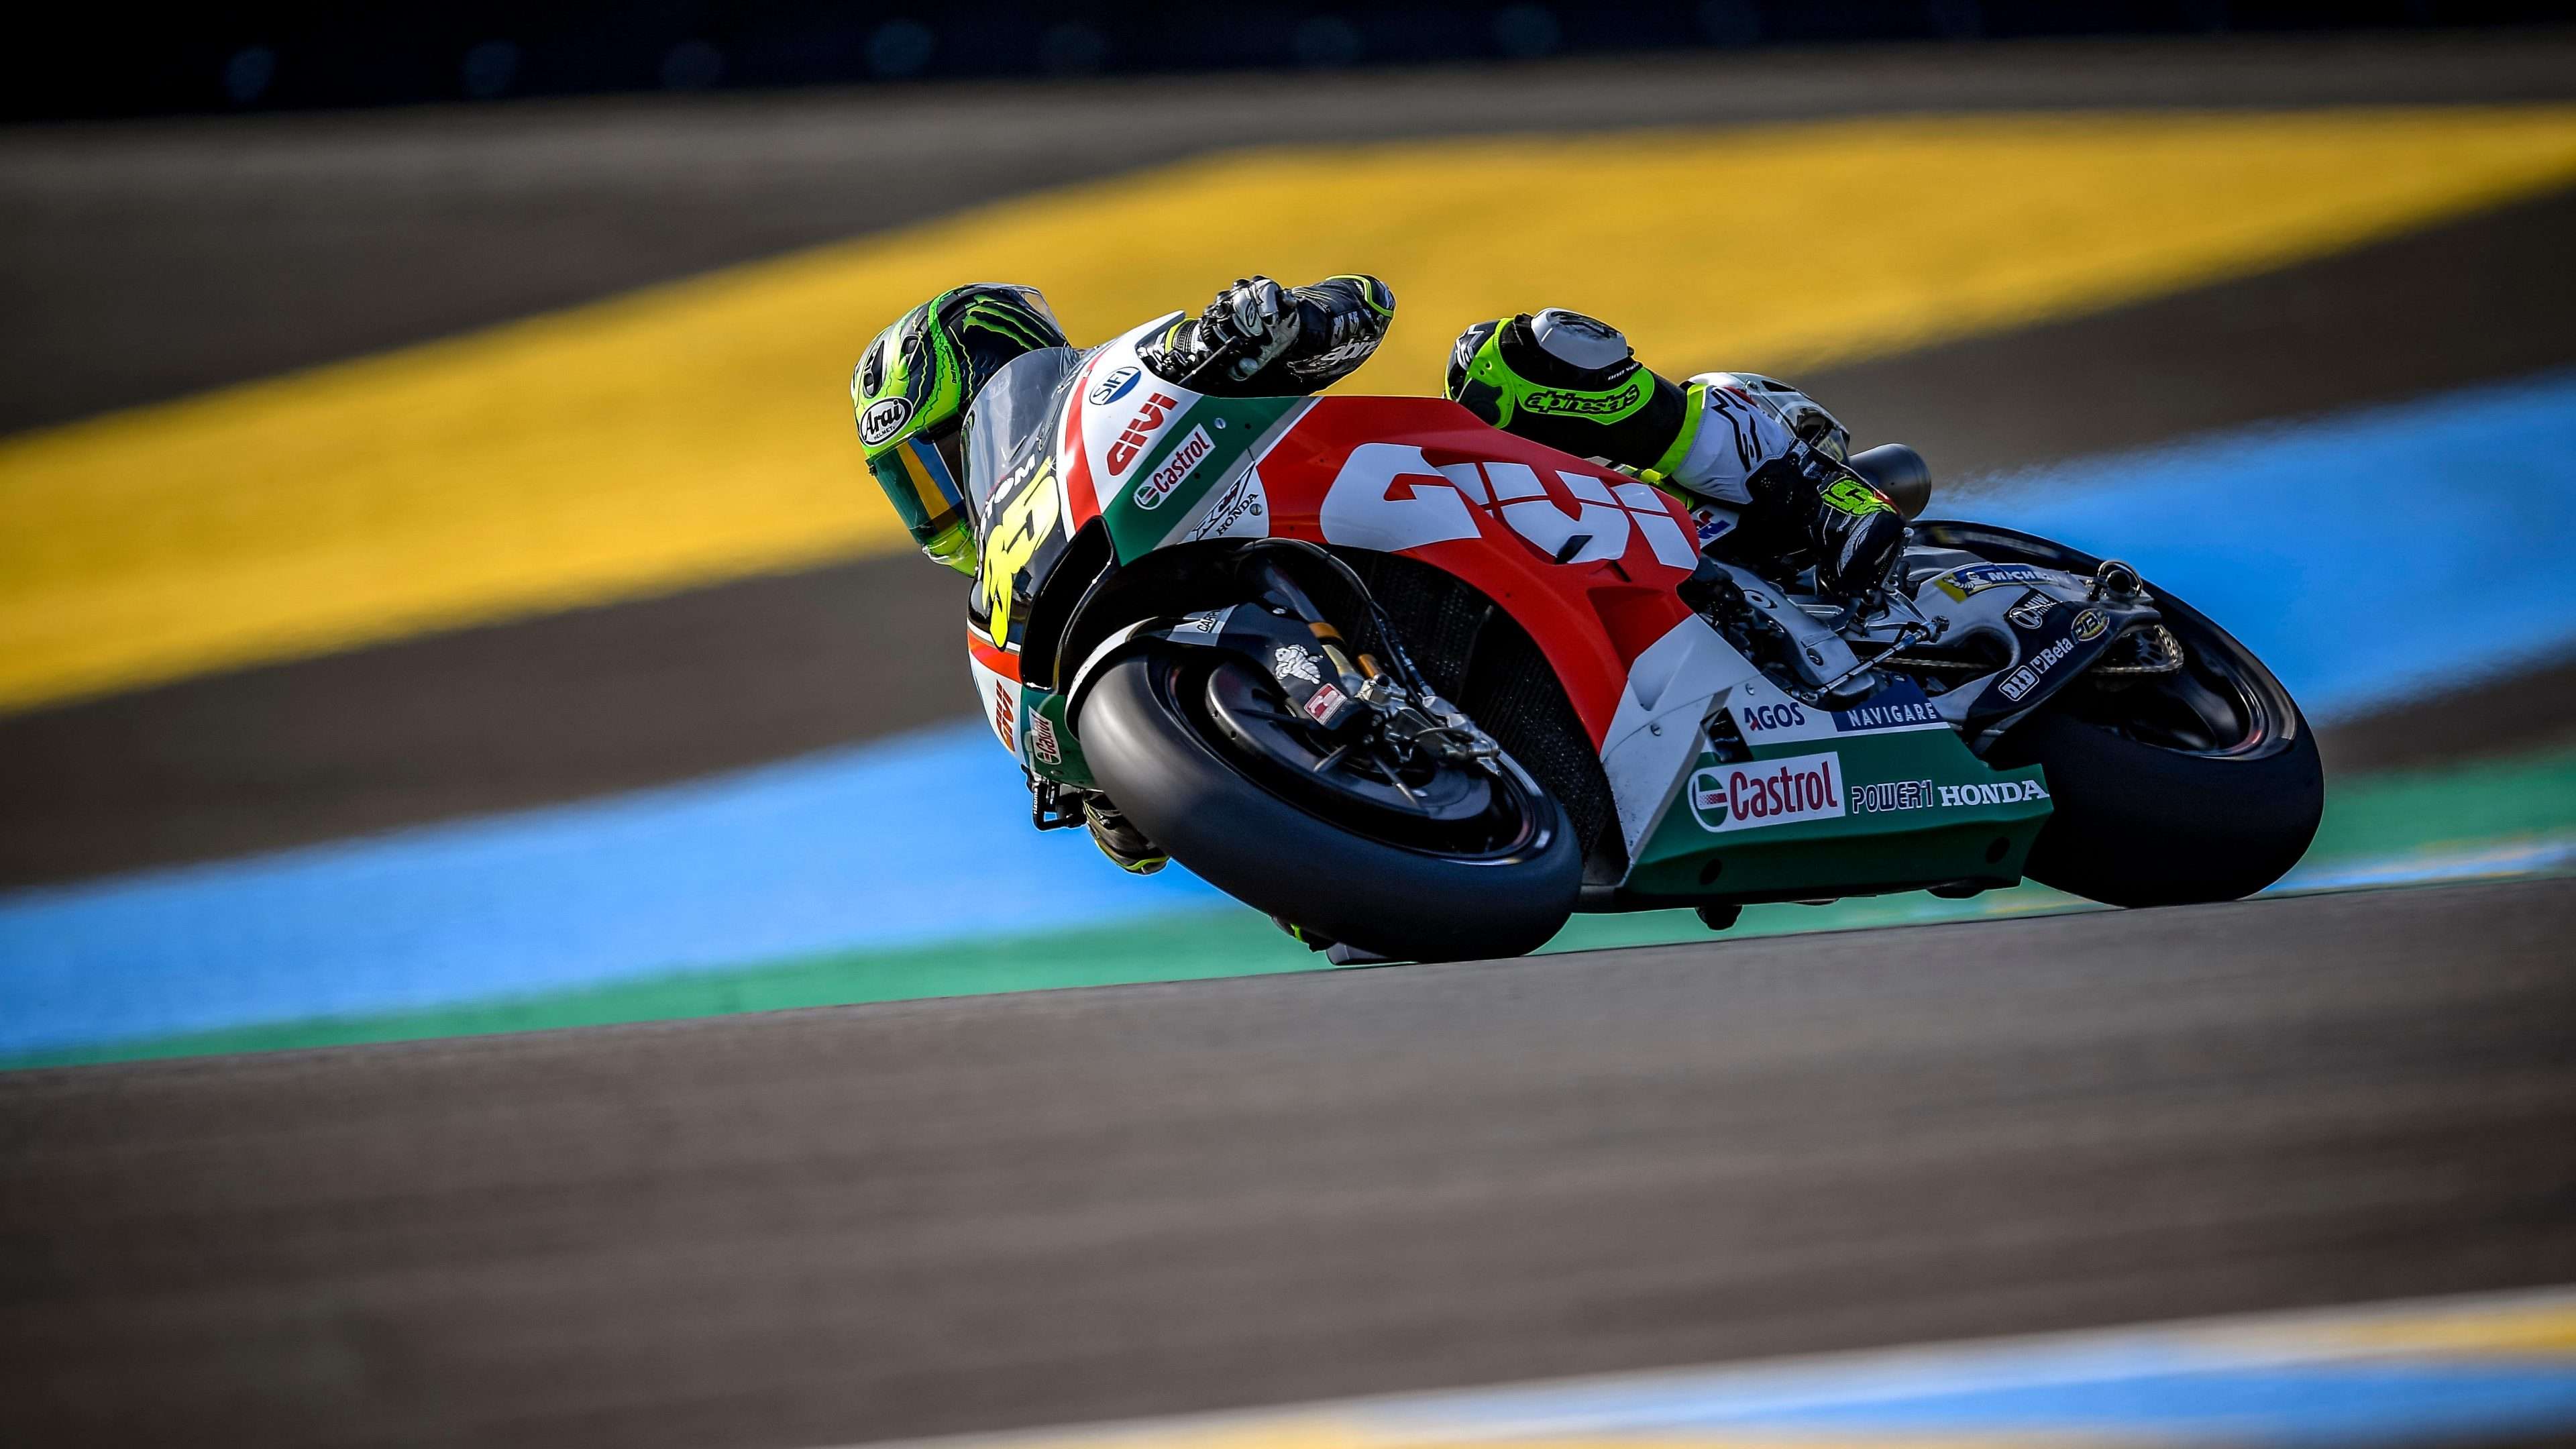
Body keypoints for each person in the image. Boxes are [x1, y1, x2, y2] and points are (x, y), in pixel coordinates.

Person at [848, 276, 1902, 871]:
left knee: (1514, 358)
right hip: (1423, 836)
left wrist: (1275, 323)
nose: (940, 498)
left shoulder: (1138, 399)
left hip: (1503, 510)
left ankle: (1800, 487)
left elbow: (1361, 304)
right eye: (912, 487)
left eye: (937, 460)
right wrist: (1123, 786)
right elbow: (1134, 842)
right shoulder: (1015, 614)